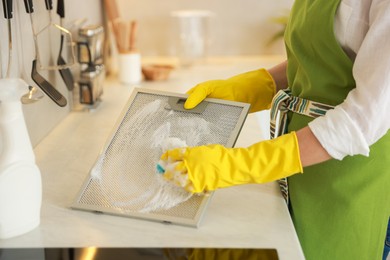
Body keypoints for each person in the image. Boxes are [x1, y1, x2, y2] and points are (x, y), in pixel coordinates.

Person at [158, 0, 390, 259]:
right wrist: (257, 86)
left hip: (348, 176)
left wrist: (240, 164)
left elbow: (362, 120)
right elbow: (318, 59)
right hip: (299, 168)